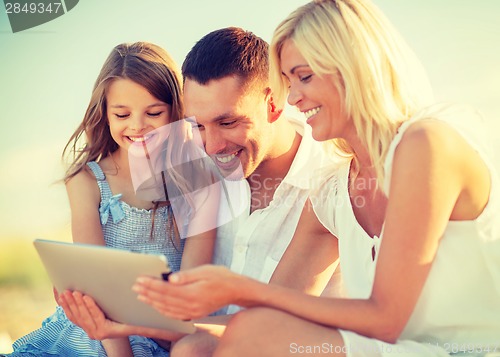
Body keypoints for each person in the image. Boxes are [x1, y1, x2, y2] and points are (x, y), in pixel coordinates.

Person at [125, 1, 500, 356]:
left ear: (355, 67)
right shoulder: (333, 187)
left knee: (250, 336)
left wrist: (241, 288)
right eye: (289, 80)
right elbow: (271, 315)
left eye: (303, 77)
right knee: (199, 348)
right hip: (390, 349)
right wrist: (131, 325)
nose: (292, 99)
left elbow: (386, 319)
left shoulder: (426, 142)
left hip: (458, 351)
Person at [58, 27, 341, 355]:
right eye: (198, 125)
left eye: (228, 122)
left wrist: (129, 324)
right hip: (195, 341)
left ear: (274, 104)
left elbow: (267, 326)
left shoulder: (327, 184)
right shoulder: (194, 171)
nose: (211, 145)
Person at [9, 42, 217, 357]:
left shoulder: (198, 182)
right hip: (93, 335)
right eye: (122, 114)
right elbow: (95, 288)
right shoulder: (87, 181)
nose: (137, 126)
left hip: (161, 335)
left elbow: (190, 303)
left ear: (177, 110)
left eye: (154, 112)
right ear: (105, 114)